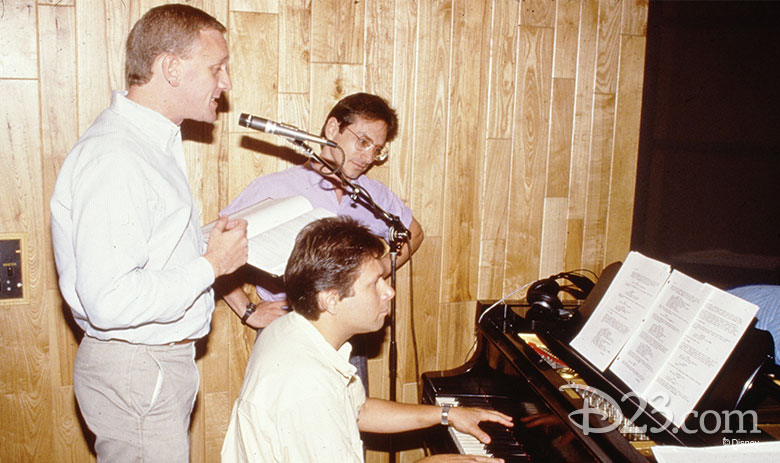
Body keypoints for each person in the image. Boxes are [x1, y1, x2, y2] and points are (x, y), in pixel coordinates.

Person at [50, 4, 247, 462]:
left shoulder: (144, 143)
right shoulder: (118, 156)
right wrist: (212, 264)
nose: (227, 83)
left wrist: (202, 243)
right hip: (139, 366)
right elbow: (111, 298)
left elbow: (144, 251)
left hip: (148, 366)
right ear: (171, 68)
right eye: (217, 68)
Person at [221, 217, 510, 462]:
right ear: (332, 300)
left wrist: (446, 414)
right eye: (375, 284)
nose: (390, 292)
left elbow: (358, 410)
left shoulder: (290, 329)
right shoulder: (308, 386)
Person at [219, 92, 425, 387]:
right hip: (288, 327)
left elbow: (412, 234)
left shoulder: (372, 194)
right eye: (363, 142)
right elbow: (215, 245)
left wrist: (376, 271)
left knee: (349, 421)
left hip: (345, 330)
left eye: (377, 149)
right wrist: (247, 310)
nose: (368, 157)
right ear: (332, 129)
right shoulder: (275, 187)